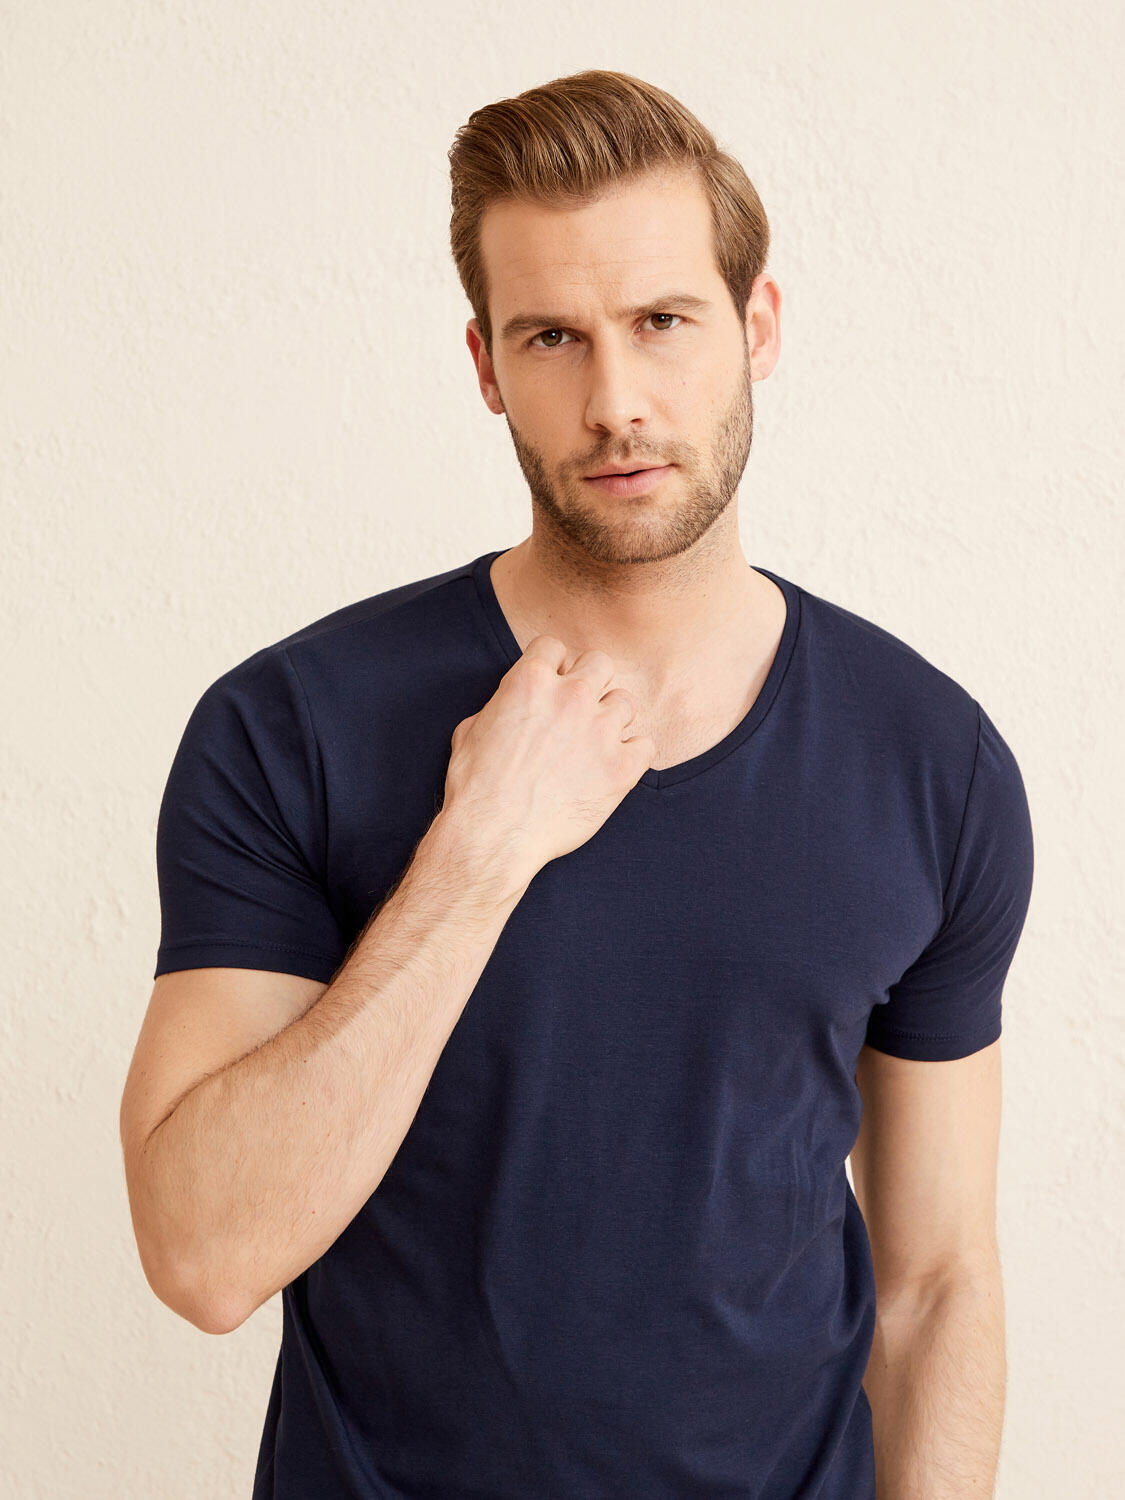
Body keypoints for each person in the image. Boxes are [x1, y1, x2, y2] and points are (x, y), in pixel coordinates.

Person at [120, 68, 1035, 1500]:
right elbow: (202, 1257)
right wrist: (477, 854)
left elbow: (934, 1287)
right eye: (552, 337)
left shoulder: (930, 761)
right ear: (486, 365)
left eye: (663, 321)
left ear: (757, 325)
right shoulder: (292, 726)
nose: (615, 401)